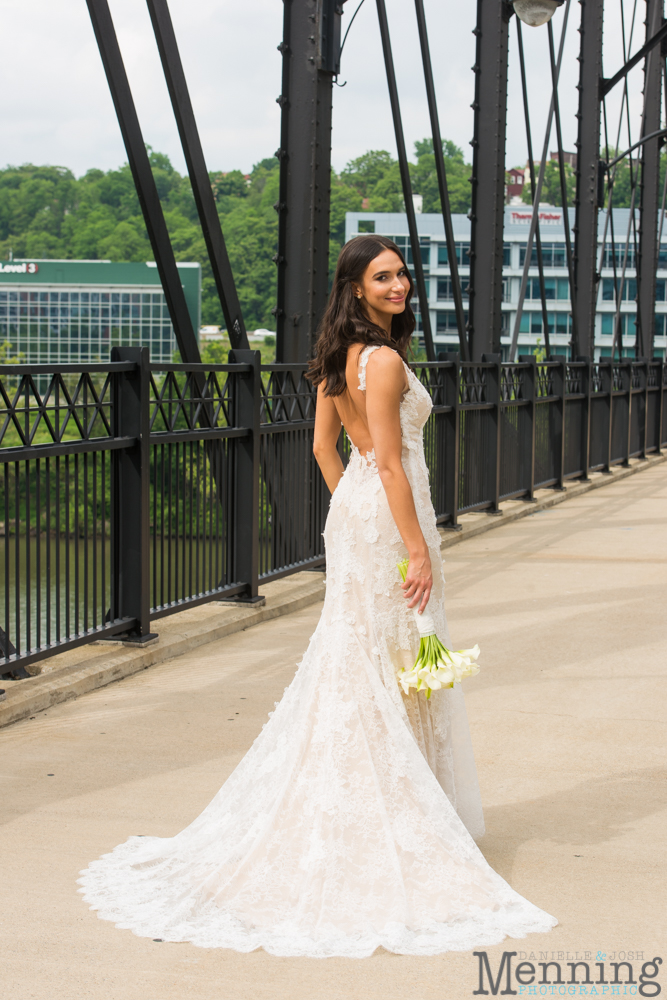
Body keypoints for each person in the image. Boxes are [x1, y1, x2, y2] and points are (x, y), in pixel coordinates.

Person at [78, 235, 556, 957]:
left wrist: (355, 514)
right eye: (382, 276)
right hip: (393, 521)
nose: (398, 285)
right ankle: (392, 822)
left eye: (401, 274)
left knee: (362, 661)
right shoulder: (387, 360)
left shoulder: (338, 360)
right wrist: (415, 546)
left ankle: (379, 811)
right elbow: (392, 464)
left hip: (361, 519)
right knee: (387, 663)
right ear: (356, 288)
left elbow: (325, 452)